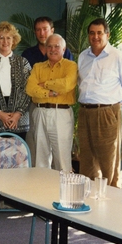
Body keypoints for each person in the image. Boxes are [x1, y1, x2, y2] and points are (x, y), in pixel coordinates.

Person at [77, 18, 122, 187]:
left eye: (99, 33)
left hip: (107, 113)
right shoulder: (83, 56)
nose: (95, 36)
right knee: (86, 158)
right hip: (84, 112)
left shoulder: (118, 57)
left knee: (108, 159)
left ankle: (111, 198)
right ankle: (88, 196)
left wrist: (111, 108)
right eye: (92, 33)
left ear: (107, 35)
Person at [23, 16, 74, 163]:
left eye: (56, 47)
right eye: (49, 47)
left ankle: (63, 186)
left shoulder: (70, 65)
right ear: (45, 50)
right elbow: (30, 88)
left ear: (64, 49)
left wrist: (44, 84)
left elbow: (65, 85)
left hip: (61, 113)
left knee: (62, 159)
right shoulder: (38, 66)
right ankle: (41, 186)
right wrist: (50, 92)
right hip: (38, 111)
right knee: (39, 157)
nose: (52, 49)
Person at [0, 22, 31, 140]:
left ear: (14, 41)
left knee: (18, 157)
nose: (5, 41)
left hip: (19, 119)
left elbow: (28, 89)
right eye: (1, 38)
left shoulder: (23, 62)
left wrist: (17, 114)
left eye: (8, 38)